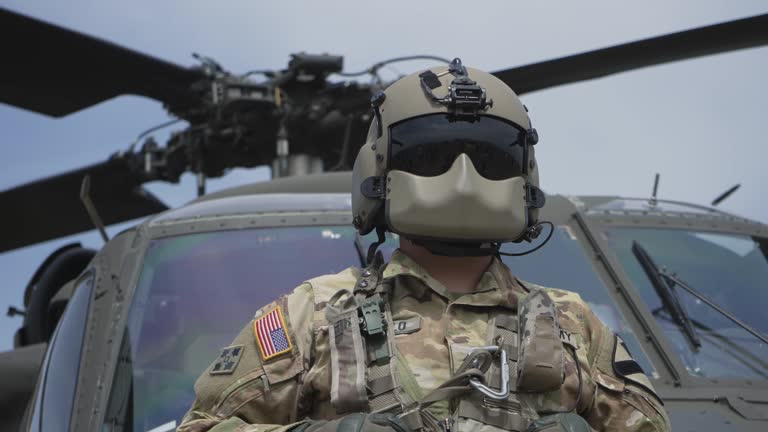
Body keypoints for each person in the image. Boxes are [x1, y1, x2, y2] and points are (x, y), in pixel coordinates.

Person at [178, 59, 670, 432]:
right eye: (430, 155)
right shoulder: (317, 313)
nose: (462, 178)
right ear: (379, 175)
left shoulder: (569, 323)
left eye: (489, 157)